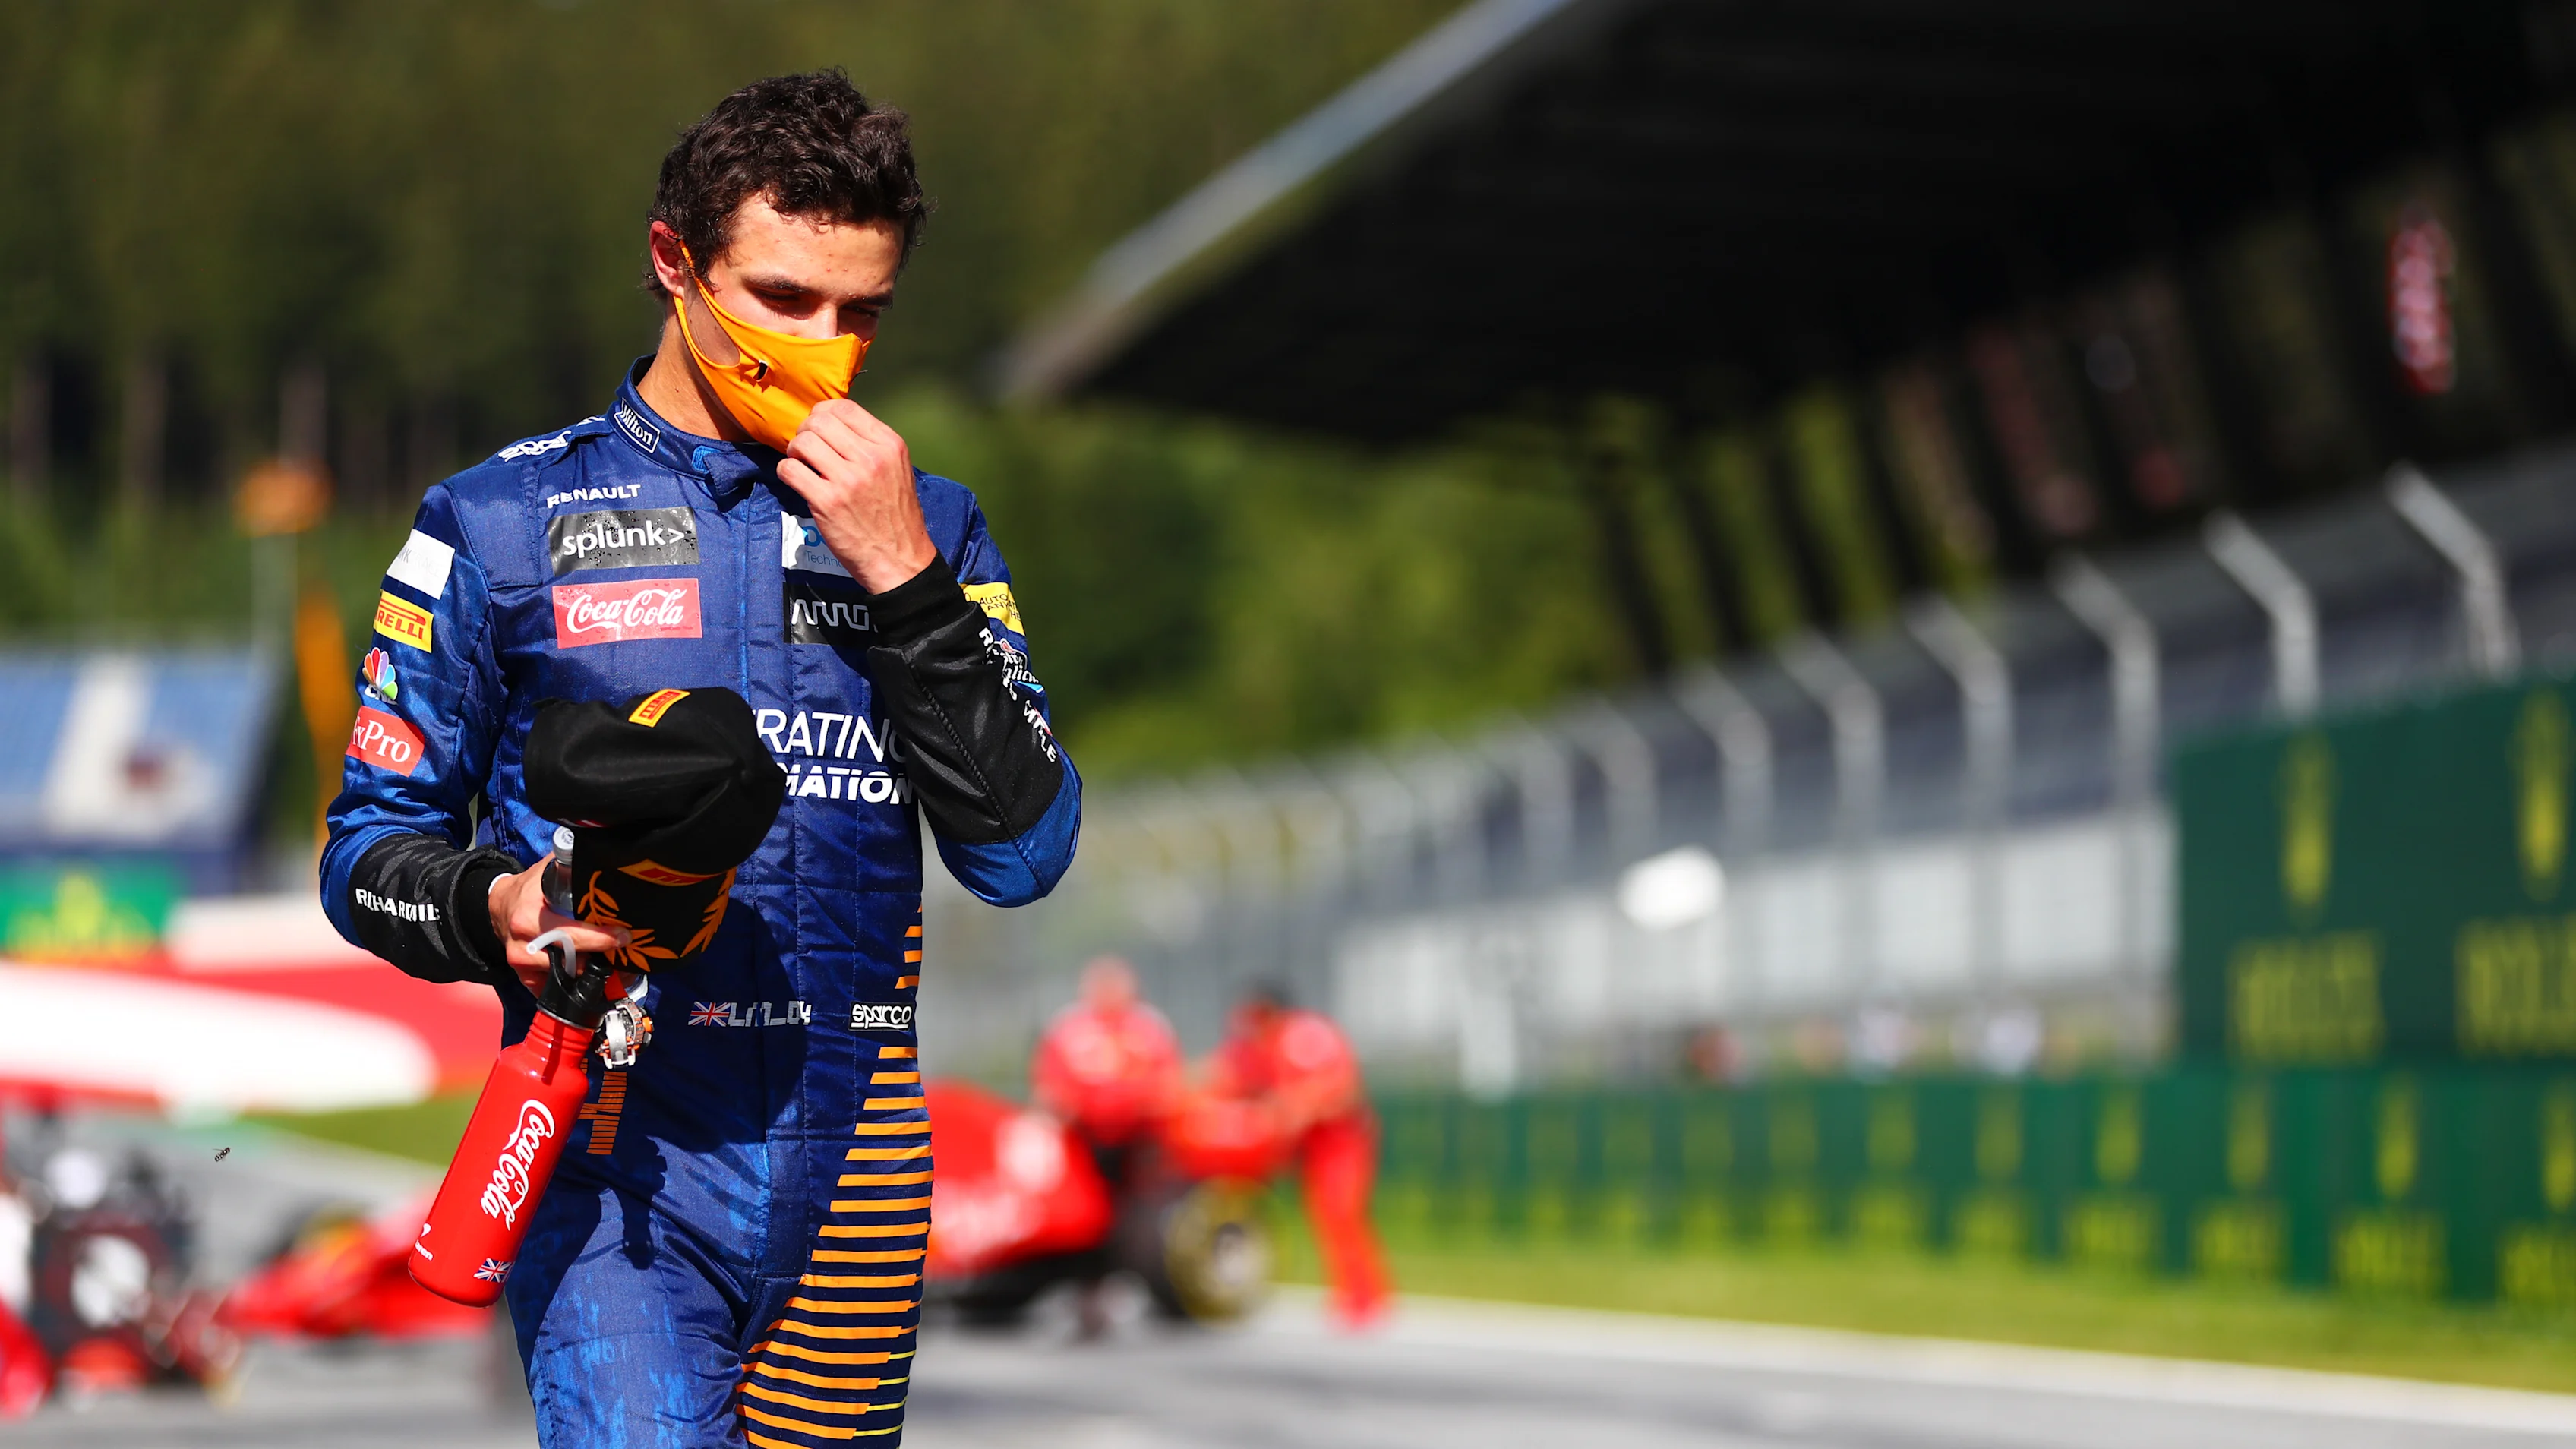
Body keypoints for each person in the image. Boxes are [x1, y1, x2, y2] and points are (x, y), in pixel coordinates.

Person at [320, 71, 1079, 1447]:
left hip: (854, 1168)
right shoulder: (495, 523)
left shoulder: (933, 525)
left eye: (864, 315)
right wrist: (499, 906)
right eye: (786, 301)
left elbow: (1024, 851)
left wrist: (903, 572)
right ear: (673, 261)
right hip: (616, 1159)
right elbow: (364, 850)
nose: (827, 351)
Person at [1198, 985, 1389, 1329]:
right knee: (1324, 1214)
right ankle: (1351, 1294)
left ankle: (1364, 1297)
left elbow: (1338, 1088)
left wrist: (1288, 1109)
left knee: (1341, 1212)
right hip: (1309, 1144)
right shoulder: (1260, 1046)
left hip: (1340, 1139)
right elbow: (1224, 1075)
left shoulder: (1306, 1036)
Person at [1029, 958, 1183, 1170]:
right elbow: (1049, 1090)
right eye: (1100, 983)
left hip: (1140, 1137)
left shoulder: (1150, 1027)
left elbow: (1168, 1087)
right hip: (1082, 1135)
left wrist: (1131, 1105)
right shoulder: (1067, 1028)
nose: (1107, 990)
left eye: (1113, 984)